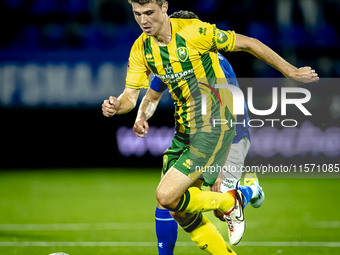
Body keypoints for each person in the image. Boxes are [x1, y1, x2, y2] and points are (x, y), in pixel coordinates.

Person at [102, 1, 319, 253]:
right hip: (185, 133)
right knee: (175, 208)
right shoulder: (146, 50)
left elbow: (247, 51)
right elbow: (138, 96)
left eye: (149, 13)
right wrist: (119, 106)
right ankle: (237, 206)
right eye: (137, 14)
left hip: (220, 129)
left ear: (164, 8)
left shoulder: (202, 42)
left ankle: (236, 196)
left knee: (172, 197)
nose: (143, 20)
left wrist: (292, 72)